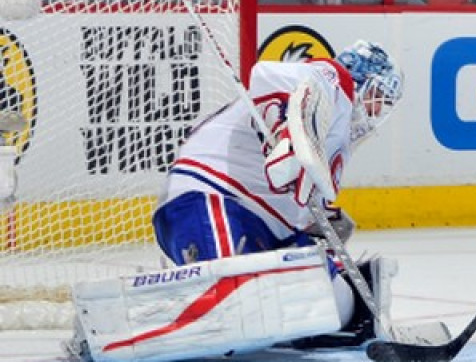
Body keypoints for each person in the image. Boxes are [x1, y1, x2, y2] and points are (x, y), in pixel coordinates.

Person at [68, 41, 406, 361]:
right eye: (378, 97)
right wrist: (286, 130)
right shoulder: (333, 82)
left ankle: (351, 312)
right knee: (232, 302)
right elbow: (266, 76)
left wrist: (318, 225)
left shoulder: (338, 139)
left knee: (331, 305)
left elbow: (299, 198)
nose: (378, 111)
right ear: (361, 81)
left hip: (265, 225)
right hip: (212, 198)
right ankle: (111, 322)